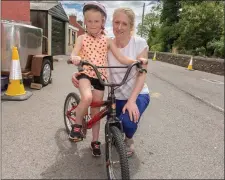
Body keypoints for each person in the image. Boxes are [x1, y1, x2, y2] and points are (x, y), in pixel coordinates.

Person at [69, 1, 147, 157]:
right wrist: (75, 59)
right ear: (85, 21)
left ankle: (95, 141)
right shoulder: (82, 38)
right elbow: (74, 53)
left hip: (100, 78)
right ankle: (77, 126)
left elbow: (122, 58)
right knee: (88, 97)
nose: (93, 24)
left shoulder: (108, 41)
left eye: (96, 21)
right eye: (89, 21)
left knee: (96, 111)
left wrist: (137, 62)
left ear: (102, 22)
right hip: (86, 73)